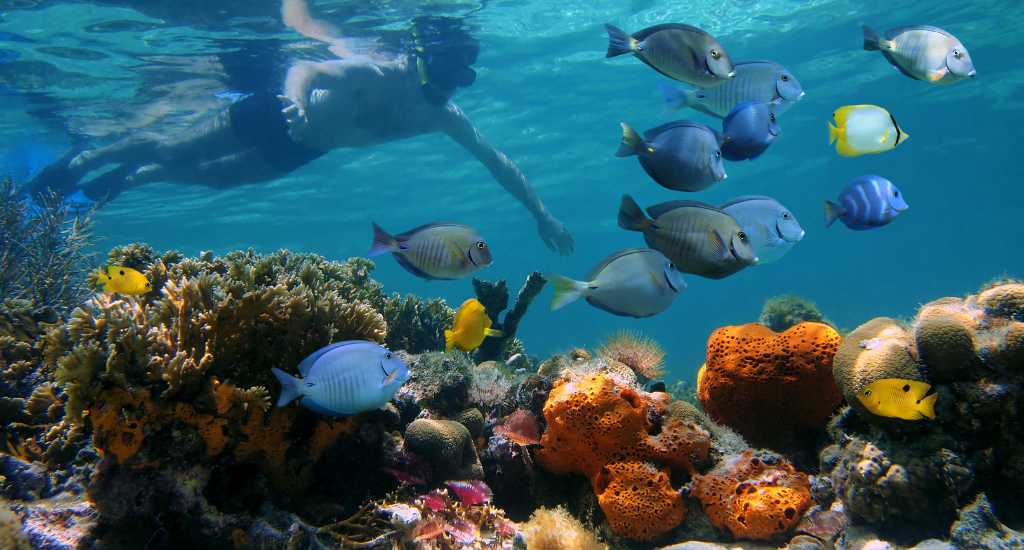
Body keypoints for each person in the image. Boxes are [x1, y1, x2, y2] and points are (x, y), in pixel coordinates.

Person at [27, 0, 574, 254]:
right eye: (450, 74)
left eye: (462, 80)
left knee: (214, 178)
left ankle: (131, 179)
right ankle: (85, 160)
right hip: (275, 112)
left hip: (304, 148)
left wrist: (542, 214)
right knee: (173, 147)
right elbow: (305, 70)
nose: (453, 88)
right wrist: (294, 104)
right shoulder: (378, 72)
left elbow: (497, 161)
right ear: (425, 59)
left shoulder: (442, 116)